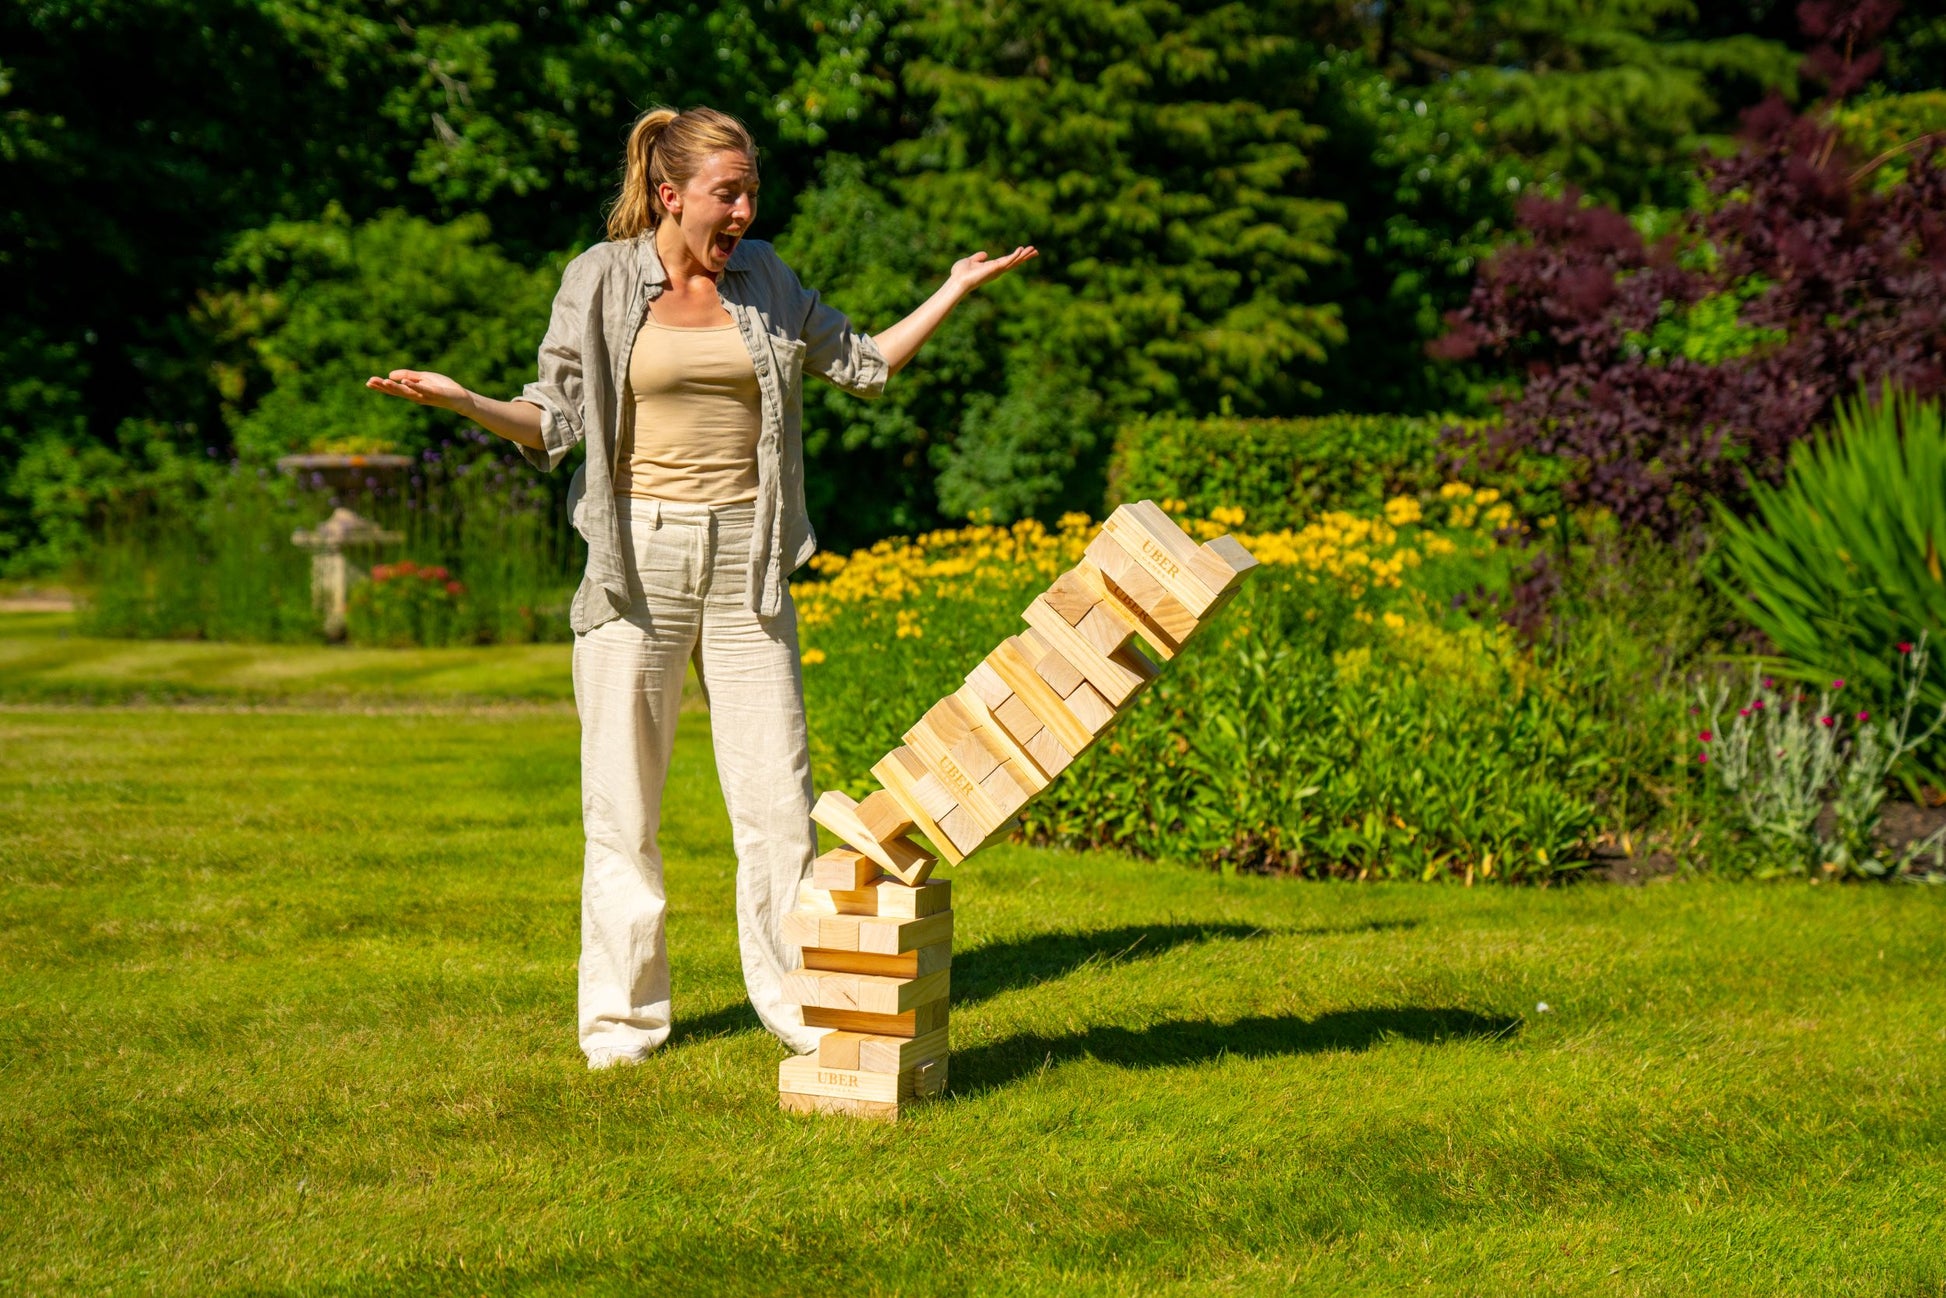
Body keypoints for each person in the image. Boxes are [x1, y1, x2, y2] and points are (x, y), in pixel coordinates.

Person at [365, 105, 1035, 1068]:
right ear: (672, 195)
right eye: (729, 194)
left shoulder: (764, 277)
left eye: (752, 192)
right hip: (638, 563)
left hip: (749, 566)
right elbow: (553, 420)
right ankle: (623, 1025)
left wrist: (954, 288)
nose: (745, 211)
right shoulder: (598, 281)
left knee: (776, 802)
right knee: (623, 807)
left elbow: (868, 364)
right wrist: (465, 402)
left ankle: (799, 1008)